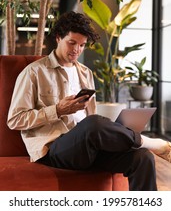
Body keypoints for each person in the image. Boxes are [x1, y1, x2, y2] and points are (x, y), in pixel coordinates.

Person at [7, 11, 171, 191]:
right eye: (72, 43)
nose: (76, 49)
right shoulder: (34, 72)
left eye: (82, 45)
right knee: (92, 124)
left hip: (88, 145)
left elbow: (90, 116)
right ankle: (151, 142)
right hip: (55, 149)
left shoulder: (85, 72)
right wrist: (58, 110)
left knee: (142, 158)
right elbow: (15, 119)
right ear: (58, 37)